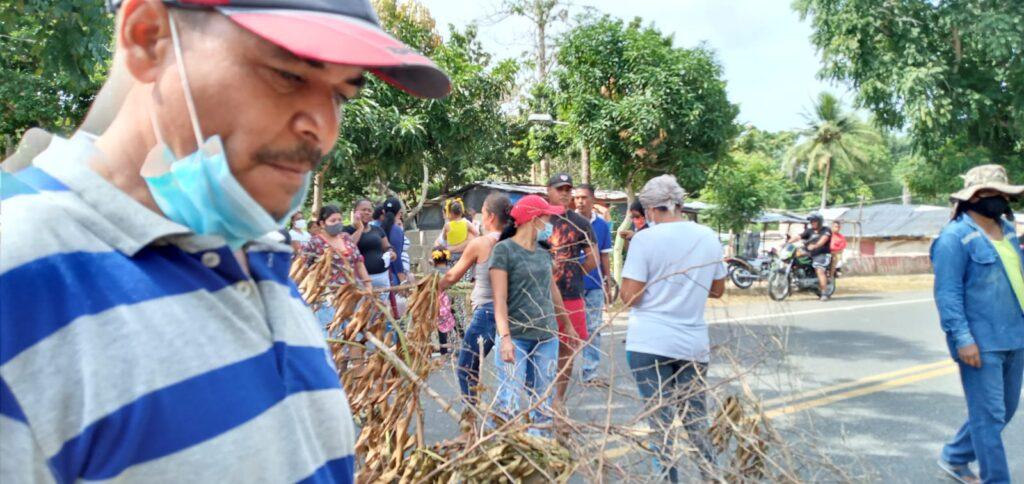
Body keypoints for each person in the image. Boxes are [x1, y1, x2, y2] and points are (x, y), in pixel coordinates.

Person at [0, 0, 450, 481]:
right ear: (148, 38)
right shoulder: (20, 278)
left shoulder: (261, 258)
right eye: (287, 75)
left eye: (341, 95)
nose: (323, 129)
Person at [619, 175, 727, 482]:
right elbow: (717, 289)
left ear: (651, 209)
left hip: (649, 344)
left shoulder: (644, 239)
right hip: (692, 344)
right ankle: (711, 477)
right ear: (679, 203)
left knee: (661, 427)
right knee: (695, 422)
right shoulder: (707, 236)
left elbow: (630, 297)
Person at [932, 165, 1024, 484]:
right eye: (989, 194)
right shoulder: (953, 238)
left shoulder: (1009, 232)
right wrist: (962, 338)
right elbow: (948, 294)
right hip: (980, 342)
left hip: (1015, 336)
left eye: (1001, 194)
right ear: (971, 199)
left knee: (1006, 410)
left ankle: (955, 456)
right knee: (988, 418)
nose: (997, 200)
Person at [490, 195, 575, 438]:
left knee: (543, 401)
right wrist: (505, 338)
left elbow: (552, 289)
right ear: (534, 220)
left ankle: (541, 455)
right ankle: (505, 453)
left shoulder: (542, 253)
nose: (550, 222)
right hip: (516, 337)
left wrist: (566, 323)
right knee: (509, 401)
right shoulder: (503, 251)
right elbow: (499, 300)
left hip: (546, 336)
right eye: (547, 216)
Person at [440, 193, 512, 412]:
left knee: (466, 366)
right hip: (511, 311)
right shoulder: (515, 240)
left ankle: (471, 416)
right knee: (505, 368)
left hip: (488, 313)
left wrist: (433, 286)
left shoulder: (482, 243)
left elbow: (452, 276)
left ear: (489, 216)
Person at [545, 173, 598, 407]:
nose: (565, 193)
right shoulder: (540, 220)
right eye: (560, 189)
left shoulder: (581, 223)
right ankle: (541, 398)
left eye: (568, 189)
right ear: (549, 191)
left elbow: (593, 257)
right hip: (541, 298)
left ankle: (558, 400)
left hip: (571, 296)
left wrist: (574, 273)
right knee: (540, 347)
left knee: (566, 352)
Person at [302, 205, 372, 332]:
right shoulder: (315, 242)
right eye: (333, 221)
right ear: (322, 223)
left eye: (340, 220)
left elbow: (359, 262)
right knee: (331, 334)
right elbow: (306, 270)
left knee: (354, 333)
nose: (338, 224)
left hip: (351, 295)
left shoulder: (345, 238)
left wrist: (368, 286)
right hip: (327, 298)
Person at [573, 184, 613, 386]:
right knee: (566, 327)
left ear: (593, 199)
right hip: (569, 285)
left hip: (594, 285)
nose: (580, 201)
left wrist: (607, 282)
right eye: (577, 197)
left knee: (593, 328)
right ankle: (559, 370)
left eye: (584, 197)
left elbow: (604, 256)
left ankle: (590, 373)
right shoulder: (566, 222)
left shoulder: (602, 226)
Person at [345, 198, 394, 295]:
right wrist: (360, 229)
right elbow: (348, 248)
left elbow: (387, 247)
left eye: (369, 210)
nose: (367, 213)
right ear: (355, 212)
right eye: (364, 210)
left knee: (382, 309)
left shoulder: (378, 230)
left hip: (381, 277)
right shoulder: (346, 231)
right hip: (360, 280)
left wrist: (391, 252)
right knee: (362, 309)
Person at [788, 213, 832, 301]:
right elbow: (798, 236)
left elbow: (823, 240)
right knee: (793, 261)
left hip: (822, 254)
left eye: (814, 221)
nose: (812, 223)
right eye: (811, 221)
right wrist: (787, 243)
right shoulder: (809, 230)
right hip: (809, 254)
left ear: (819, 222)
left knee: (819, 270)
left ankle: (824, 293)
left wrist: (815, 245)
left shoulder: (826, 230)